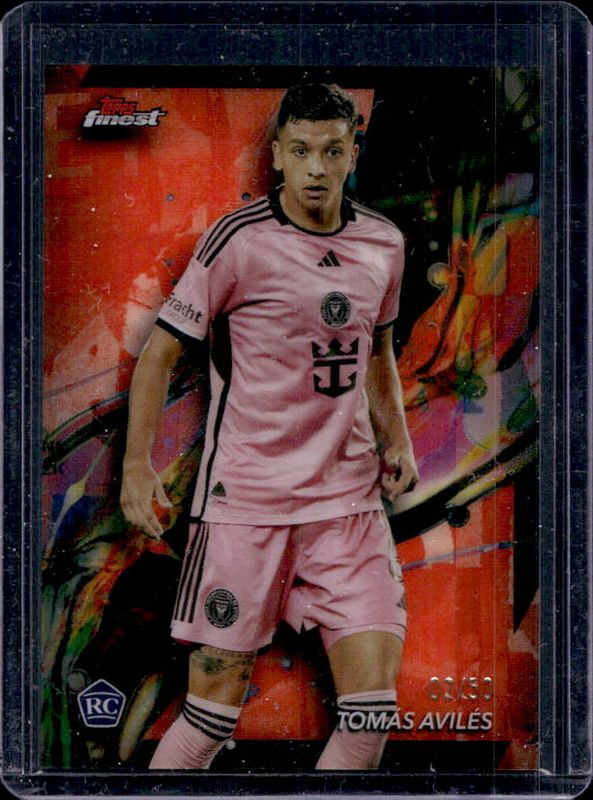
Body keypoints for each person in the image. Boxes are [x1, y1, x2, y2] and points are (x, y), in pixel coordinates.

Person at [120, 82, 418, 771]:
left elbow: (377, 351)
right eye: (301, 150)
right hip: (246, 509)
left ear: (352, 155)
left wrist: (396, 436)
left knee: (370, 717)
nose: (316, 167)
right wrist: (136, 464)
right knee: (209, 719)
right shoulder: (239, 240)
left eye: (332, 151)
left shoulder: (384, 243)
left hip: (347, 507)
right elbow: (160, 353)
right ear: (277, 155)